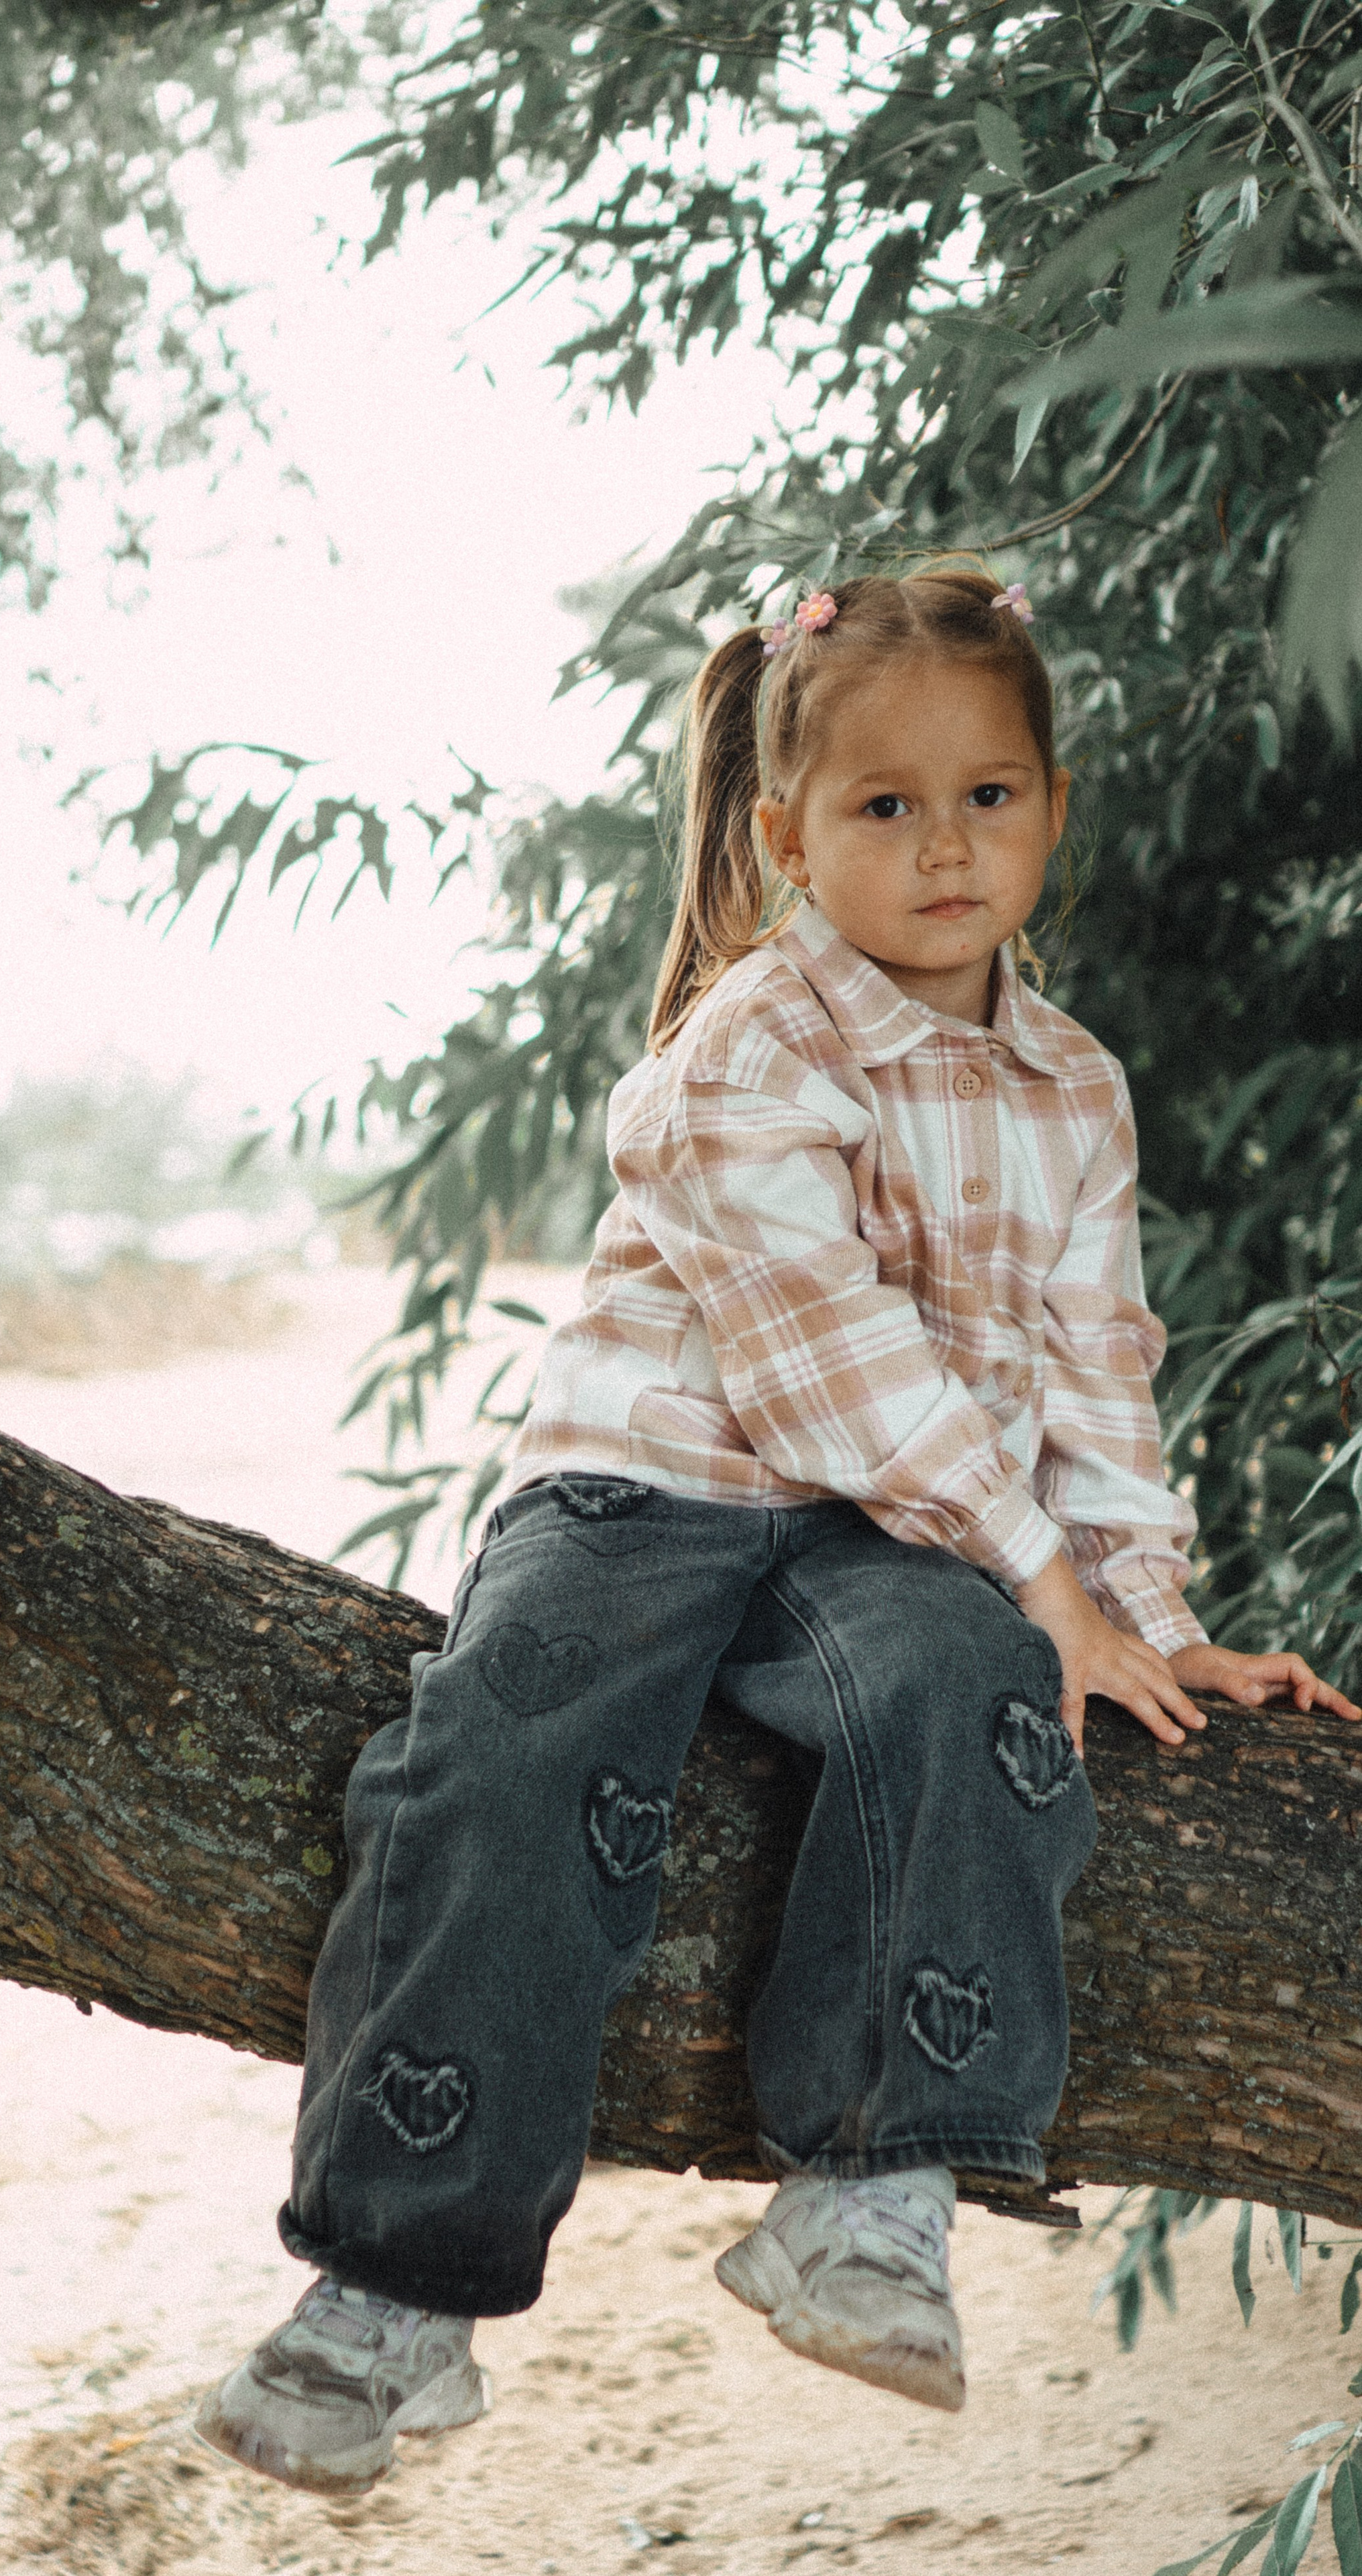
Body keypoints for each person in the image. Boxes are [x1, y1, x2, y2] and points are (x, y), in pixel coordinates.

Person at [196, 566, 1361, 2497]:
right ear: (784, 836)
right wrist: (1046, 1566)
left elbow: (1095, 1373)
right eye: (883, 807)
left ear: (1054, 807)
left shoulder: (1075, 1088)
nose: (945, 847)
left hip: (887, 1535)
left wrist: (1127, 1616)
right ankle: (396, 2289)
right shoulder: (749, 1048)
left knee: (984, 1685)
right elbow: (837, 1376)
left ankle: (874, 2186)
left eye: (989, 795)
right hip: (646, 1490)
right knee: (515, 1745)